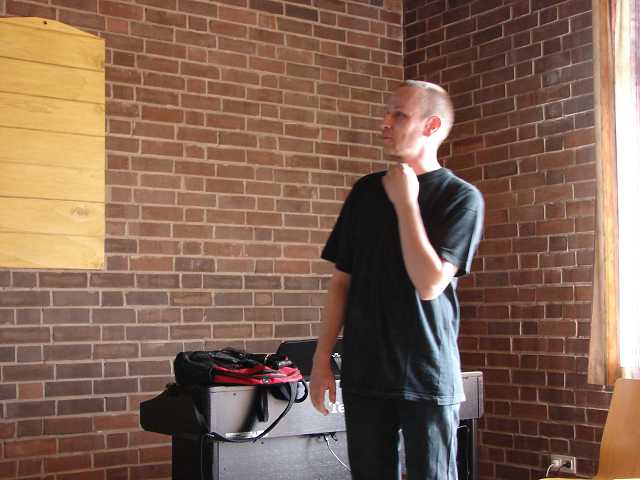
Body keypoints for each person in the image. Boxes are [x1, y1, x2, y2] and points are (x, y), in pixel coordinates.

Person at [309, 80, 485, 480]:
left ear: (432, 126)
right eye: (387, 113)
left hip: (427, 374)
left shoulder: (462, 198)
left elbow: (430, 283)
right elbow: (341, 282)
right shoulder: (365, 192)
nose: (385, 122)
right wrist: (321, 361)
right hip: (364, 374)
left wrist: (407, 202)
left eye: (399, 115)